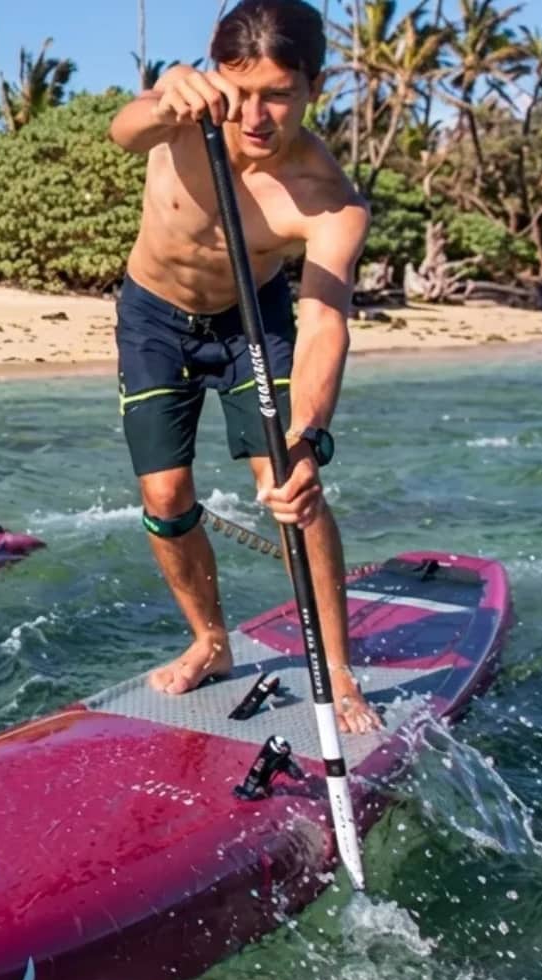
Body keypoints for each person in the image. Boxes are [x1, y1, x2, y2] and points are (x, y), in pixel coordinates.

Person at [107, 0, 380, 733]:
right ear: (217, 71)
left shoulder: (328, 202)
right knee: (165, 497)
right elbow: (124, 131)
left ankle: (339, 665)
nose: (255, 115)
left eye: (279, 95)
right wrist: (169, 90)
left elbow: (324, 317)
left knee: (289, 479)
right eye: (241, 90)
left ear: (315, 86)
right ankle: (210, 640)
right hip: (153, 317)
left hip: (250, 323)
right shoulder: (184, 113)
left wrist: (311, 433)